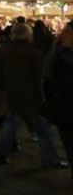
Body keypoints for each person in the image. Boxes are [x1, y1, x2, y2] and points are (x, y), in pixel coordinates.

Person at [0, 22, 64, 168]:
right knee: (43, 130)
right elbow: (41, 77)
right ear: (28, 35)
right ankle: (50, 159)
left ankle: (1, 150)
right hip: (31, 96)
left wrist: (1, 90)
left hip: (12, 93)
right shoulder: (34, 53)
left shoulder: (3, 51)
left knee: (11, 124)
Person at [44, 20, 73, 182]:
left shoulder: (54, 55)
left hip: (63, 107)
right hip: (64, 106)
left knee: (69, 143)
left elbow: (47, 82)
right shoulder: (56, 56)